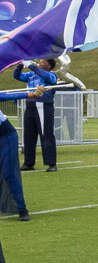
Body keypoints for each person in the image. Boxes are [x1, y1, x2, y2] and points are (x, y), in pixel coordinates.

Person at [0, 84, 45, 221]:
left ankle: (22, 209)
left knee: (8, 172)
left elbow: (8, 96)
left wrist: (32, 94)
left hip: (5, 136)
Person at [14, 59, 58, 172]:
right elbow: (17, 76)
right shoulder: (31, 74)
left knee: (46, 134)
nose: (39, 62)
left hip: (43, 105)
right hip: (30, 105)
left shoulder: (51, 75)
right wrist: (19, 65)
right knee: (29, 135)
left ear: (49, 66)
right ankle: (29, 163)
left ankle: (51, 163)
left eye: (43, 62)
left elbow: (48, 78)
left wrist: (32, 66)